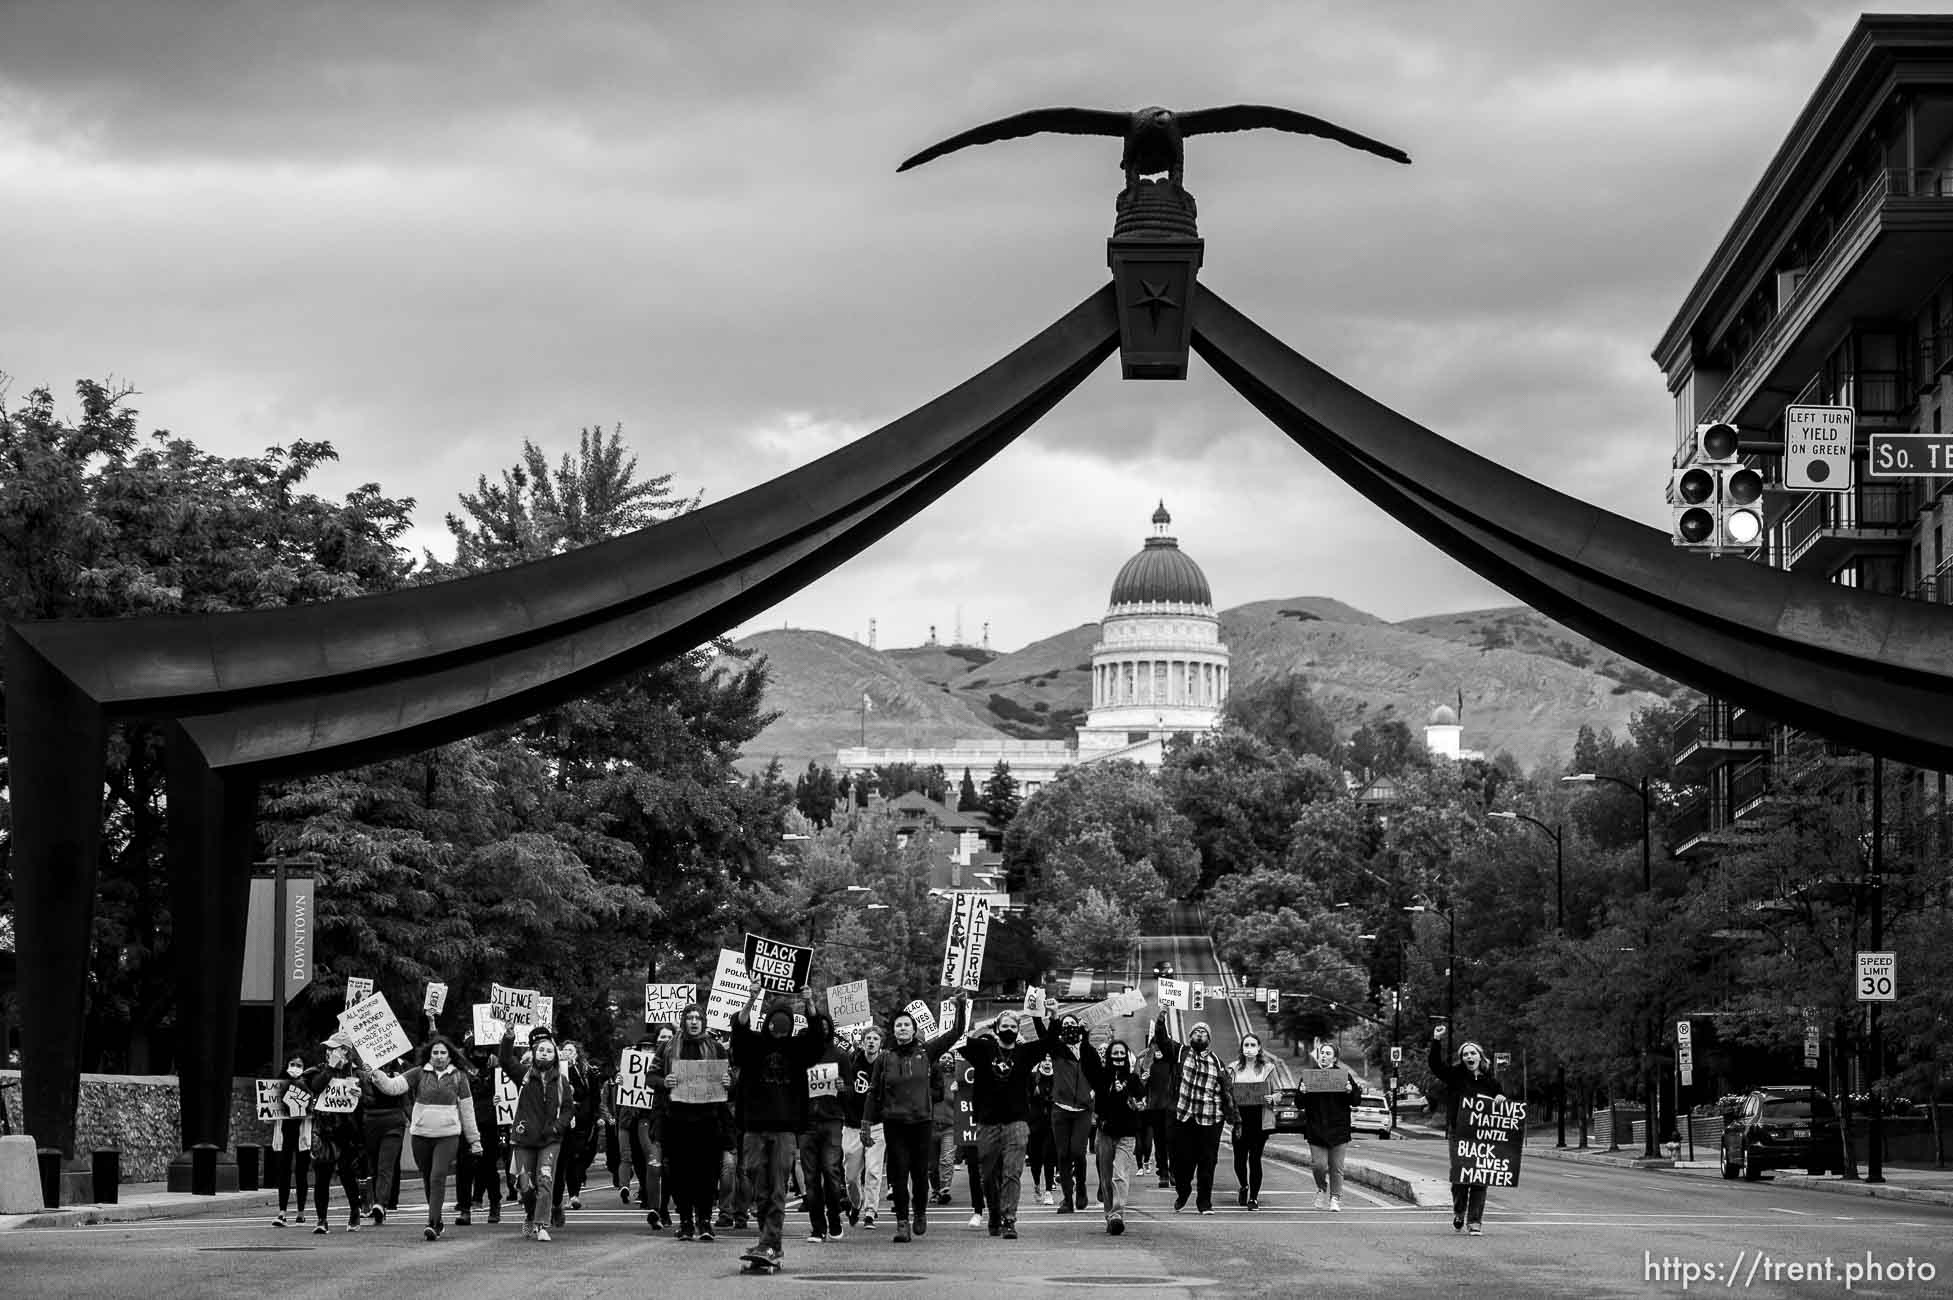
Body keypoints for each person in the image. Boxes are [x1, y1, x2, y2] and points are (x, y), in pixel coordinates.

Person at [730, 983, 832, 1272]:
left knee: (776, 1188)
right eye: (775, 1023)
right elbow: (739, 1028)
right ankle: (768, 1242)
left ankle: (770, 1242)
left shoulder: (798, 1049)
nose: (779, 1029)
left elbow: (816, 1038)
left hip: (785, 1130)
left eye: (784, 1024)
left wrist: (810, 1003)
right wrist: (751, 999)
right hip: (753, 1127)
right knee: (758, 1185)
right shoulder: (752, 1046)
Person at [863, 995, 968, 1242]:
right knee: (898, 1175)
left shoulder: (926, 1051)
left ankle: (919, 1212)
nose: (902, 1028)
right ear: (893, 1031)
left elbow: (956, 1032)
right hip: (894, 1123)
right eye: (898, 1025)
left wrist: (960, 1007)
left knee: (920, 1174)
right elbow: (873, 1092)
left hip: (921, 1122)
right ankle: (902, 1223)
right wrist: (866, 1123)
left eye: (906, 1025)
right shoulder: (884, 1058)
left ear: (914, 1029)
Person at [957, 1009, 1054, 1239]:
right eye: (1005, 1026)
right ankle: (994, 1213)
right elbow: (958, 1038)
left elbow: (1049, 1042)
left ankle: (1009, 1219)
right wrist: (971, 1016)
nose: (1009, 1030)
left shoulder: (1026, 1053)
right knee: (989, 1174)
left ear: (1018, 1030)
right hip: (987, 1122)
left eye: (1013, 1026)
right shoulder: (983, 1049)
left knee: (1012, 1172)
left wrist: (1051, 1017)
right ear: (997, 1027)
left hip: (1017, 1122)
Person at [649, 1003, 732, 1242]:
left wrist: (729, 1080)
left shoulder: (716, 1048)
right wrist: (665, 1081)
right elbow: (651, 1076)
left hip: (708, 1120)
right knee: (679, 1174)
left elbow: (733, 1081)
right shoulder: (667, 1048)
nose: (694, 1022)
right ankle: (685, 1221)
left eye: (698, 1018)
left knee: (707, 1174)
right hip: (676, 1120)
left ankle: (704, 1221)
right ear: (683, 1021)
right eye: (689, 1018)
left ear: (704, 1022)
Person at [402, 1034, 483, 1241]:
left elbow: (467, 1110)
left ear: (450, 1055)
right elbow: (394, 1086)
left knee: (438, 1175)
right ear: (429, 1055)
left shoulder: (459, 1076)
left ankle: (431, 1223)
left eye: (443, 1053)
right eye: (435, 1053)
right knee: (429, 1179)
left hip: (447, 1136)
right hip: (421, 1135)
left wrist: (474, 1140)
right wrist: (375, 1074)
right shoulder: (418, 1073)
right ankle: (437, 1221)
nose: (439, 1056)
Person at [500, 1024, 576, 1242]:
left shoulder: (561, 1081)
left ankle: (541, 1224)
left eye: (549, 1050)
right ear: (534, 1052)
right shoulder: (523, 1075)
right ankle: (531, 1214)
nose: (544, 1053)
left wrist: (557, 1127)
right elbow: (505, 1060)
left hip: (550, 1140)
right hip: (524, 1139)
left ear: (555, 1055)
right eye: (541, 1050)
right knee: (525, 1184)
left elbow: (569, 1108)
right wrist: (509, 1037)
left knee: (545, 1179)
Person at [1153, 1017, 1237, 1214]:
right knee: (1181, 1162)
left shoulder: (1217, 1062)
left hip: (1210, 1118)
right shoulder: (1180, 1052)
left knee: (1208, 1162)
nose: (1200, 1034)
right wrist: (1161, 1018)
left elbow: (1227, 1091)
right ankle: (1183, 1191)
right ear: (1190, 1037)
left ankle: (1204, 1202)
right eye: (1196, 1032)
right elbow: (1162, 1040)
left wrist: (1234, 1119)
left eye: (1204, 1032)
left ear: (1209, 1039)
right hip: (1183, 1115)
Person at [1429, 1024, 1505, 1235]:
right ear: (1462, 1058)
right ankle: (1459, 1210)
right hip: (1459, 1132)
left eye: (1472, 1053)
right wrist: (1436, 1040)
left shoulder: (1491, 1082)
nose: (1469, 1056)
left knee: (1479, 1177)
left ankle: (1475, 1222)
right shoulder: (1455, 1075)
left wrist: (1500, 1098)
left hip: (1483, 1136)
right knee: (1461, 1178)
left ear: (1480, 1057)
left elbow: (1501, 1105)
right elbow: (1436, 1066)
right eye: (1465, 1054)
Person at [1078, 1036, 1147, 1235]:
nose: (1118, 1056)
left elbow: (1141, 1104)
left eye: (1121, 1053)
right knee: (1106, 1177)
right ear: (1109, 1056)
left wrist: (1130, 1098)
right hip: (1105, 1133)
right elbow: (1088, 1060)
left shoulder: (1133, 1079)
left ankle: (1117, 1214)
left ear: (1126, 1057)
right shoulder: (1101, 1077)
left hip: (1126, 1134)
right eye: (1114, 1053)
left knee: (1120, 1175)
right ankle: (1110, 1215)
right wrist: (1085, 1034)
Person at [300, 1033, 366, 1234]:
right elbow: (316, 1086)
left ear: (345, 1051)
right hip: (323, 1131)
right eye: (328, 1049)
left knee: (347, 1174)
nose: (329, 1052)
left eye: (334, 1048)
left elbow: (369, 1103)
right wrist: (331, 1068)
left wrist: (360, 1096)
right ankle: (322, 1219)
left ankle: (355, 1210)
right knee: (322, 1175)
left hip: (347, 1132)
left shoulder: (357, 1075)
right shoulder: (319, 1071)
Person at [799, 1015, 850, 1242]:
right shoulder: (801, 1057)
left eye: (824, 1027)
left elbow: (852, 1092)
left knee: (831, 1171)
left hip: (831, 1120)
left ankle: (835, 1218)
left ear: (830, 1029)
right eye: (815, 1027)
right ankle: (817, 1228)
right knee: (810, 1179)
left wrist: (843, 1087)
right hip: (807, 1123)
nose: (820, 1030)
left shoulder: (840, 1056)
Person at [1297, 1040, 1364, 1212]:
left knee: (1337, 1167)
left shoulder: (1344, 1076)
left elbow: (1356, 1101)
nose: (1324, 1056)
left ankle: (1335, 1198)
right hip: (1316, 1128)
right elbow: (1299, 1104)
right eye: (1322, 1053)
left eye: (1328, 1054)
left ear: (1334, 1058)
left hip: (1338, 1128)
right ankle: (1321, 1187)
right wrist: (1302, 1092)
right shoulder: (1309, 1076)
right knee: (1318, 1165)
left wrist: (1350, 1091)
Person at [1229, 1032, 1294, 1210]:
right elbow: (1227, 1092)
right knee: (1239, 1158)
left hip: (1260, 1117)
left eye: (1252, 1045)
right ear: (1241, 1049)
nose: (1249, 1049)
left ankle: (1254, 1198)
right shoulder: (1233, 1068)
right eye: (1246, 1045)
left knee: (1255, 1158)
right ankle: (1243, 1185)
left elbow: (1279, 1093)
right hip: (1240, 1119)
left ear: (1259, 1048)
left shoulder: (1268, 1068)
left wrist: (1272, 1098)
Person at [1045, 1014, 1095, 1213]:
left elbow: (1097, 1072)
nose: (1069, 1028)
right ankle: (1067, 1198)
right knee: (1063, 1154)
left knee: (1077, 1152)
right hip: (1060, 1109)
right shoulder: (1057, 1050)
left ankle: (1081, 1187)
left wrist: (1085, 1033)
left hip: (1082, 1110)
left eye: (1072, 1024)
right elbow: (1047, 1037)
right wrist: (1054, 1020)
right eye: (1065, 1025)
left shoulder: (1087, 1051)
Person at [839, 1026, 886, 1228]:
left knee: (874, 1171)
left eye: (875, 1038)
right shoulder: (852, 1062)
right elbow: (846, 1088)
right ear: (862, 1041)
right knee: (850, 1175)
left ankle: (870, 1211)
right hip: (853, 1124)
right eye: (868, 1038)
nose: (871, 1042)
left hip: (876, 1124)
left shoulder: (884, 1064)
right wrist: (843, 1089)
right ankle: (856, 1204)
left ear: (880, 1043)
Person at [358, 1050, 411, 1226]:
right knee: (374, 1164)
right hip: (371, 1122)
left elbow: (405, 1102)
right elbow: (365, 1100)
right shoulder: (363, 1076)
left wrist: (416, 1122)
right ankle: (377, 1203)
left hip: (393, 1122)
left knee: (385, 1165)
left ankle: (380, 1203)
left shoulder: (399, 1074)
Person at [455, 1040, 504, 1225]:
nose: (480, 1055)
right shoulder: (461, 1070)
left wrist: (500, 1099)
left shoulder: (496, 1068)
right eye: (476, 1051)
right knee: (464, 1167)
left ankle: (494, 1205)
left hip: (489, 1122)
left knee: (489, 1166)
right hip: (466, 1121)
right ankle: (465, 1209)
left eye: (484, 1051)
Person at [269, 1051, 313, 1227]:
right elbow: (269, 1117)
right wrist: (265, 1108)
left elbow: (314, 1112)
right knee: (284, 1173)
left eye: (299, 1065)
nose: (295, 1068)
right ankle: (282, 1212)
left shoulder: (310, 1087)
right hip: (285, 1134)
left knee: (302, 1174)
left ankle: (301, 1212)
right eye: (292, 1064)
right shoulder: (278, 1086)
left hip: (302, 1135)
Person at [1140, 1033, 1177, 1189]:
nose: (1157, 1048)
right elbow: (1139, 1084)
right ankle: (1163, 1171)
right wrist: (1144, 1079)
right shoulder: (1147, 1062)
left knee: (1173, 1141)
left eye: (1160, 1045)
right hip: (1155, 1107)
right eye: (1154, 1045)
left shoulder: (1173, 1062)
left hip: (1171, 1107)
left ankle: (1174, 1170)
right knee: (1159, 1141)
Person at [929, 1051, 959, 1206]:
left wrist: (960, 1087)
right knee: (932, 1165)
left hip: (950, 1126)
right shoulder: (930, 1078)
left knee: (946, 1160)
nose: (946, 1060)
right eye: (943, 1057)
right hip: (930, 1126)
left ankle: (944, 1189)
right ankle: (935, 1189)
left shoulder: (958, 1080)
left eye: (950, 1058)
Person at [1026, 1058, 1056, 1204]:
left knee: (1049, 1156)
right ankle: (1037, 1184)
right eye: (1044, 1060)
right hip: (1034, 1124)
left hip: (1051, 1124)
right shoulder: (1033, 1077)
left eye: (1050, 1060)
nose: (1047, 1063)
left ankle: (1049, 1191)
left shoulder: (1057, 1077)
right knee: (1035, 1159)